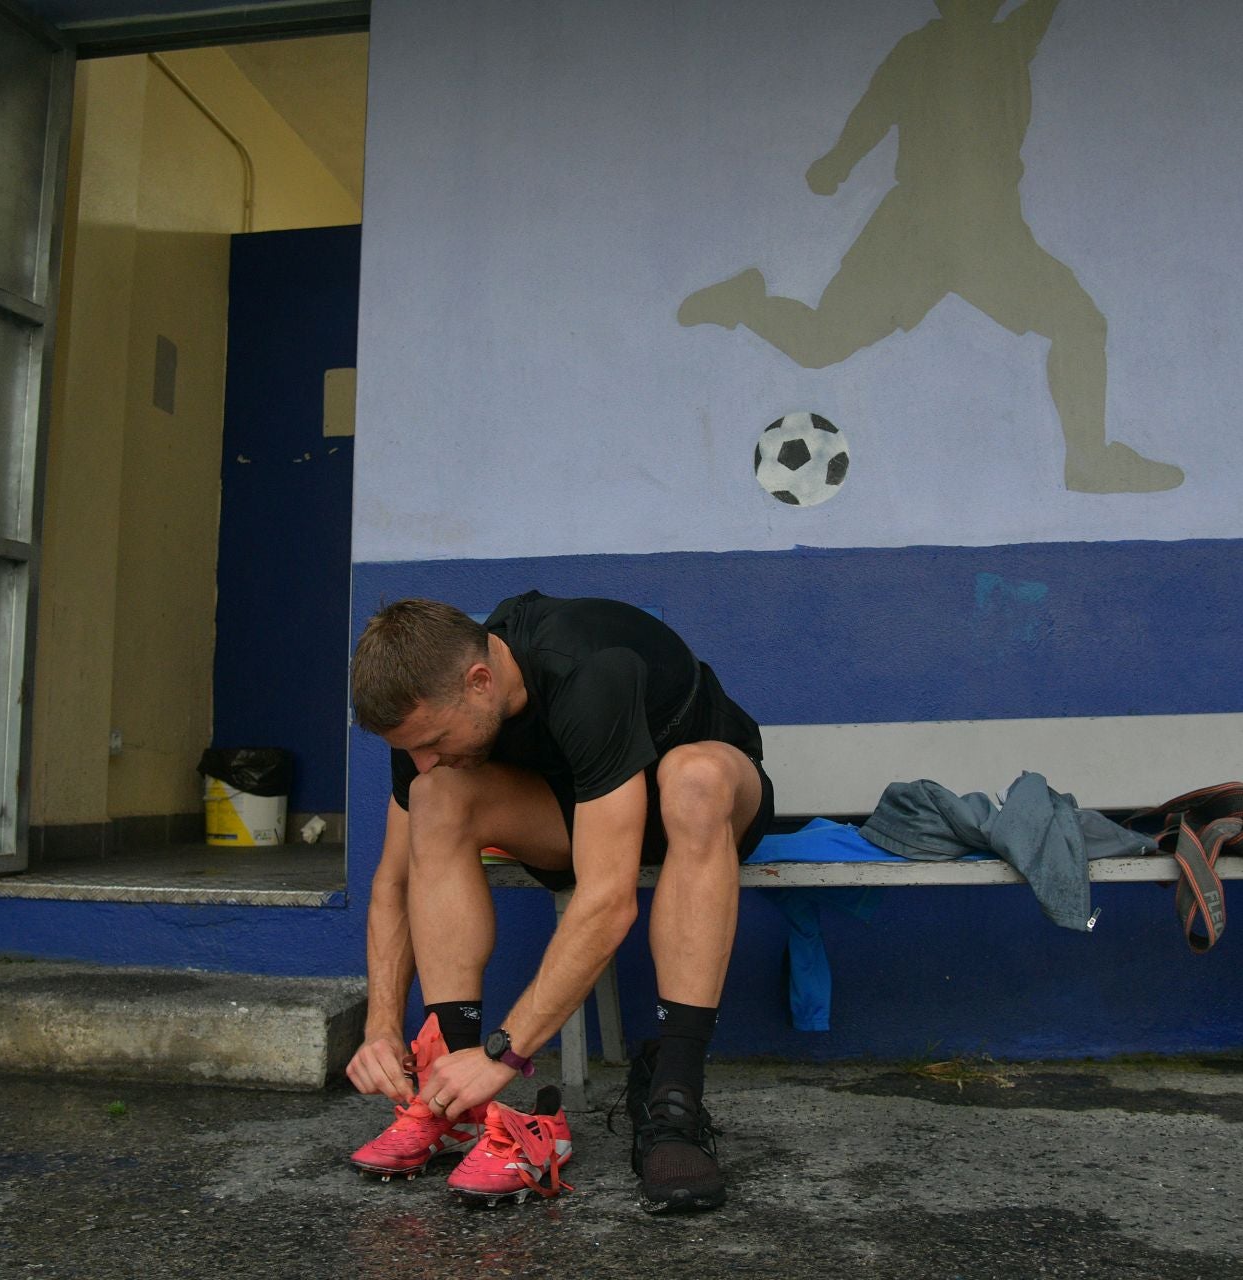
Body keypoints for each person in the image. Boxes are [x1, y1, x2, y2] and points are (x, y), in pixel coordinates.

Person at [343, 592, 774, 1213]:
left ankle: (675, 1098)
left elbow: (608, 900)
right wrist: (382, 1026)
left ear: (481, 680)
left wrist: (507, 1052)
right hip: (589, 813)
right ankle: (453, 1090)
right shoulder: (429, 711)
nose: (421, 759)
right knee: (437, 796)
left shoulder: (585, 669)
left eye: (432, 739)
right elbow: (393, 881)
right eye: (408, 748)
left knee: (694, 779)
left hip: (709, 801)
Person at [678, 0, 1183, 494]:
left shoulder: (1008, 41)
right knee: (820, 344)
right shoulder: (929, 50)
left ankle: (1089, 463)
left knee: (1079, 323)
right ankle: (744, 301)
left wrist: (837, 163)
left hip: (980, 231)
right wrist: (837, 162)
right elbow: (873, 112)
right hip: (922, 230)